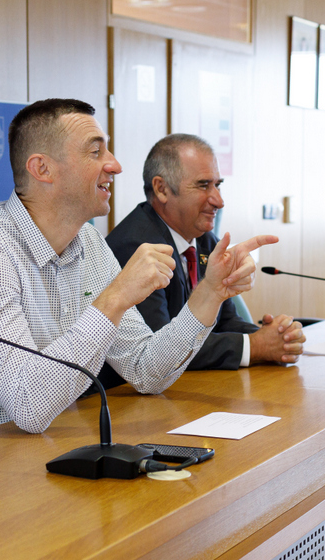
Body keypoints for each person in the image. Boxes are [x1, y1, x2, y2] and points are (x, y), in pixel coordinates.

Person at [0, 99, 277, 453]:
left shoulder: (89, 242)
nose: (115, 165)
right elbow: (28, 405)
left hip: (35, 454)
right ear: (42, 169)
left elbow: (145, 371)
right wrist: (115, 297)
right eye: (96, 152)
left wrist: (210, 293)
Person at [103, 134, 304, 382]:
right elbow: (159, 349)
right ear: (162, 189)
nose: (219, 200)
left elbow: (225, 321)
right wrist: (255, 346)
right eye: (203, 185)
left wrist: (276, 337)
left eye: (218, 185)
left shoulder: (205, 240)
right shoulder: (135, 247)